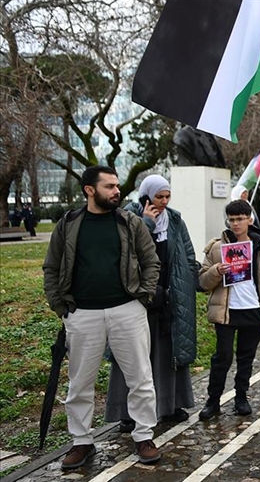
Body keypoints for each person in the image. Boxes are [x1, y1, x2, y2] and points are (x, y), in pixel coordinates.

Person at [42, 166, 161, 469]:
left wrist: (142, 298)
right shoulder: (69, 224)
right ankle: (81, 442)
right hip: (82, 314)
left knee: (141, 379)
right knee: (80, 383)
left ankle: (144, 436)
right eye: (109, 186)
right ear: (89, 190)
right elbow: (51, 268)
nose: (116, 191)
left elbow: (150, 261)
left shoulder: (129, 221)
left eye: (117, 186)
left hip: (127, 310)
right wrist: (61, 307)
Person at [106, 175, 197, 433]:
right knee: (132, 356)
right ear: (147, 195)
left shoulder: (176, 220)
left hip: (168, 298)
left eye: (167, 196)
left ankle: (169, 405)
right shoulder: (127, 217)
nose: (164, 201)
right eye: (159, 196)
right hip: (137, 299)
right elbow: (125, 252)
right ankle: (127, 412)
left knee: (168, 353)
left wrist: (189, 282)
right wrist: (147, 223)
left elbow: (187, 255)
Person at [198, 200, 260, 419]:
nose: (235, 224)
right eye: (231, 219)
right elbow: (202, 283)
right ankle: (213, 401)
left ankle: (241, 397)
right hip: (226, 311)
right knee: (222, 357)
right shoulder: (216, 247)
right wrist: (216, 271)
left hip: (253, 310)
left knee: (246, 357)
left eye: (240, 219)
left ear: (249, 220)